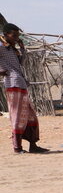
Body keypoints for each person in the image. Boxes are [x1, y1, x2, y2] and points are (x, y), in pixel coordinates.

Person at [0, 22, 48, 153]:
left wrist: (22, 49)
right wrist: (2, 70)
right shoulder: (2, 46)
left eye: (17, 35)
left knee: (30, 114)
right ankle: (17, 147)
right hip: (12, 83)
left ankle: (33, 145)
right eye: (14, 35)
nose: (16, 37)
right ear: (5, 34)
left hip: (20, 82)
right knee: (17, 115)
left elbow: (21, 63)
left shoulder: (12, 48)